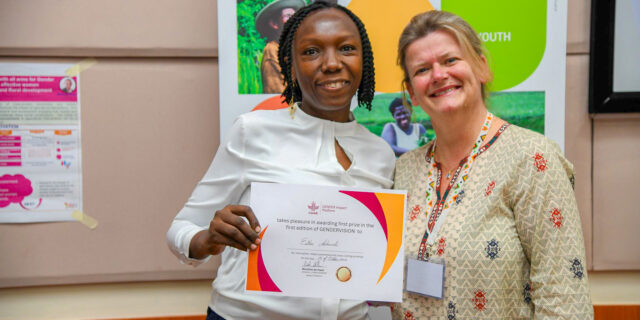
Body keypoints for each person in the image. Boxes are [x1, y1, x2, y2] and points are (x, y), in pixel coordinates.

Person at [167, 2, 395, 319]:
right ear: (290, 63)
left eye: (346, 48)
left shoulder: (381, 153)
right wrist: (209, 238)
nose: (332, 63)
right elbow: (180, 229)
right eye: (312, 51)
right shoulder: (253, 131)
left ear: (364, 58)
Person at [392, 10, 593, 319]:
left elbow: (564, 298)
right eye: (422, 69)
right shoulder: (404, 169)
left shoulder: (531, 158)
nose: (438, 75)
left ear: (481, 68)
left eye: (450, 60)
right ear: (411, 93)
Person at [255, 0, 306, 94]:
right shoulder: (272, 51)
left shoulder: (295, 49)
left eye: (295, 16)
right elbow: (277, 95)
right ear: (274, 24)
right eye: (288, 16)